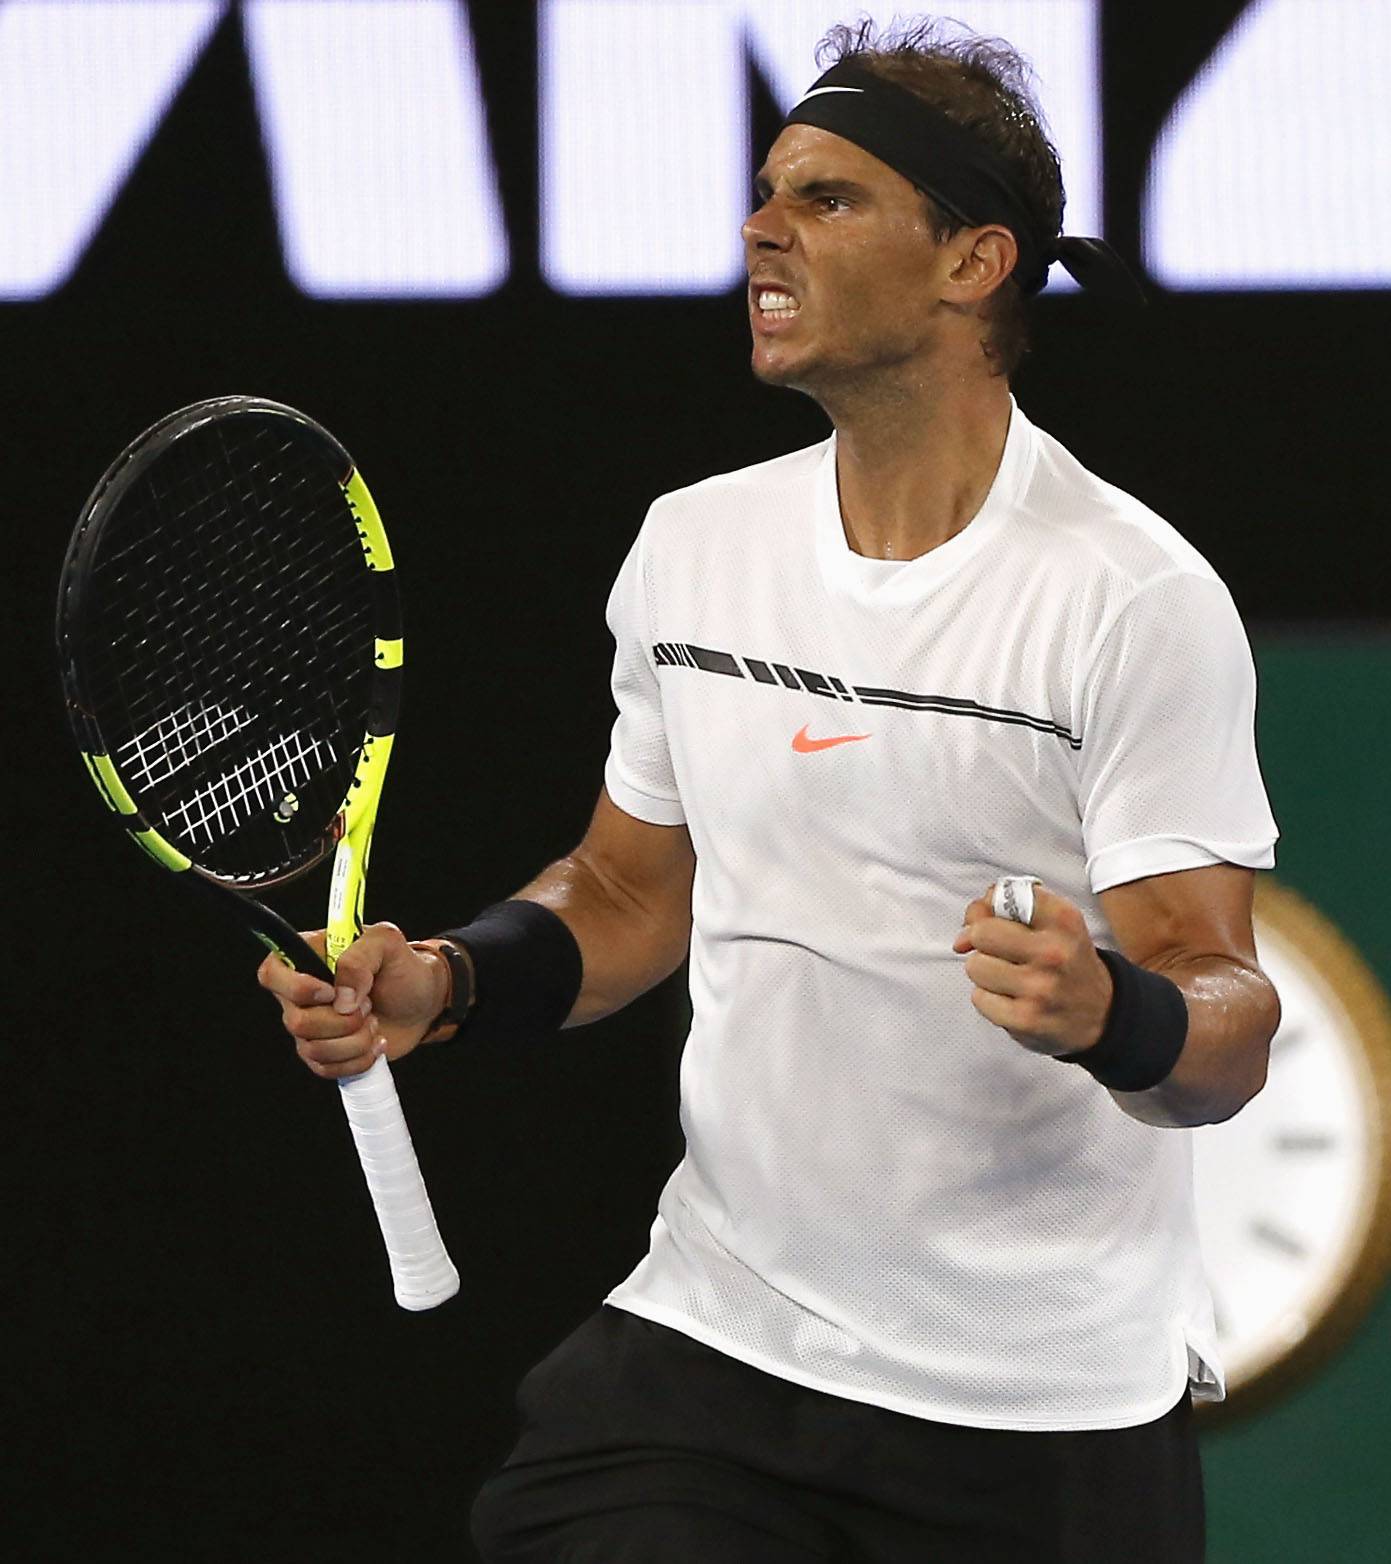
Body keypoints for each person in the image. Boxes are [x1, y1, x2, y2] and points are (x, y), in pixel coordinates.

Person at [260, 18, 1279, 1563]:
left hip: (1036, 1415)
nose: (760, 227)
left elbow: (1228, 1022)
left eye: (828, 197)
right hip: (716, 1358)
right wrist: (453, 979)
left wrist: (1111, 1010)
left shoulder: (1130, 598)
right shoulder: (693, 550)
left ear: (973, 262)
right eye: (765, 190)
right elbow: (622, 895)